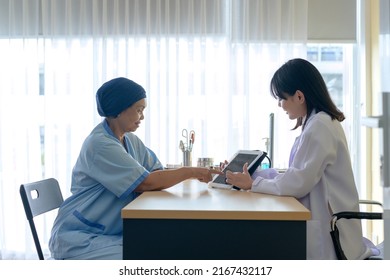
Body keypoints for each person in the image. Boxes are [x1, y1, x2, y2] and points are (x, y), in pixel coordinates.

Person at [49, 77, 222, 260]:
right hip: (80, 237)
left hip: (107, 232)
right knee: (146, 256)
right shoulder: (100, 144)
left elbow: (155, 171)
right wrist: (191, 171)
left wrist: (183, 173)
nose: (142, 117)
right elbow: (145, 183)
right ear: (118, 109)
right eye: (139, 110)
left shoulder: (129, 140)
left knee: (165, 247)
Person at [225, 58, 379, 260]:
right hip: (325, 221)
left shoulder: (319, 127)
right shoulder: (315, 122)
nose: (280, 105)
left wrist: (254, 184)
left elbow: (298, 183)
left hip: (332, 234)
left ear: (299, 96)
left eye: (281, 98)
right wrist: (255, 176)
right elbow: (297, 173)